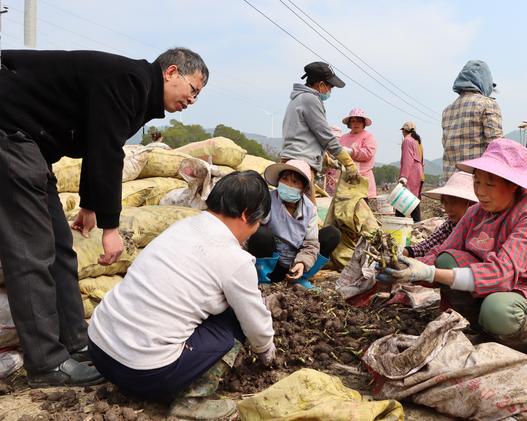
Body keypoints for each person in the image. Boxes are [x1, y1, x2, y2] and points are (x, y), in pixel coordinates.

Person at [0, 47, 208, 387]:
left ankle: (76, 342)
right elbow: (107, 151)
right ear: (171, 72)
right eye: (193, 90)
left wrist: (89, 206)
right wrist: (111, 226)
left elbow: (98, 139)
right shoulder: (130, 81)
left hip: (31, 146)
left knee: (60, 247)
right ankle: (46, 364)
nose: (192, 100)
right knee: (31, 254)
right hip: (10, 135)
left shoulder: (137, 90)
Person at [88, 171, 275, 418]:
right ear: (245, 214)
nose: (254, 231)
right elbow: (256, 326)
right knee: (234, 324)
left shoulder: (181, 226)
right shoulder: (235, 259)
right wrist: (267, 351)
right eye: (257, 223)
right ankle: (192, 402)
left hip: (100, 349)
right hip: (144, 372)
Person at [380, 139, 527, 359]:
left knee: (497, 310)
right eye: (477, 182)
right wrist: (403, 267)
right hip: (494, 288)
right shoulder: (475, 213)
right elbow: (440, 253)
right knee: (446, 260)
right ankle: (481, 329)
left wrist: (431, 273)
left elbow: (502, 274)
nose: (481, 192)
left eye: (490, 184)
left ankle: (526, 346)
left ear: (513, 185)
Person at [247, 160, 341, 289]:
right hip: (272, 264)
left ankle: (299, 278)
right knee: (260, 232)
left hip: (295, 265)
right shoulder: (268, 200)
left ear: (303, 189)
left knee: (332, 234)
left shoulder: (309, 209)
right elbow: (251, 229)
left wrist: (302, 263)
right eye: (284, 179)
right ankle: (263, 280)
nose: (288, 185)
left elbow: (311, 244)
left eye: (295, 182)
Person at [281, 61, 360, 201]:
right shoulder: (310, 99)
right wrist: (348, 162)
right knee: (307, 215)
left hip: (291, 161)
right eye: (330, 87)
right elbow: (326, 136)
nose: (331, 91)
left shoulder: (298, 99)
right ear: (321, 85)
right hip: (301, 166)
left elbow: (306, 138)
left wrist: (329, 161)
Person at [442, 60, 503, 179]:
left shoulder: (447, 110)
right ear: (485, 82)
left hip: (451, 184)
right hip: (475, 183)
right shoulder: (487, 104)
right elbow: (496, 146)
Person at [404, 171, 478, 258]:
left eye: (453, 203)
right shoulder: (450, 224)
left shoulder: (479, 228)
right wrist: (405, 252)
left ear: (470, 204)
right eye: (445, 203)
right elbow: (427, 245)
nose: (448, 209)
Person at [339, 108, 378, 199]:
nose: (356, 123)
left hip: (363, 180)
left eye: (359, 121)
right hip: (346, 182)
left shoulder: (368, 137)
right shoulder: (343, 138)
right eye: (353, 121)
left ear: (363, 123)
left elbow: (368, 153)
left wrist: (351, 152)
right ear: (349, 123)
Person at [398, 121, 425, 222]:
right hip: (419, 173)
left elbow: (407, 160)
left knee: (401, 202)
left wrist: (404, 176)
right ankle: (418, 227)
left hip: (411, 173)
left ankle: (399, 226)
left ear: (404, 131)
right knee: (414, 202)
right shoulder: (418, 141)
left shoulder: (407, 140)